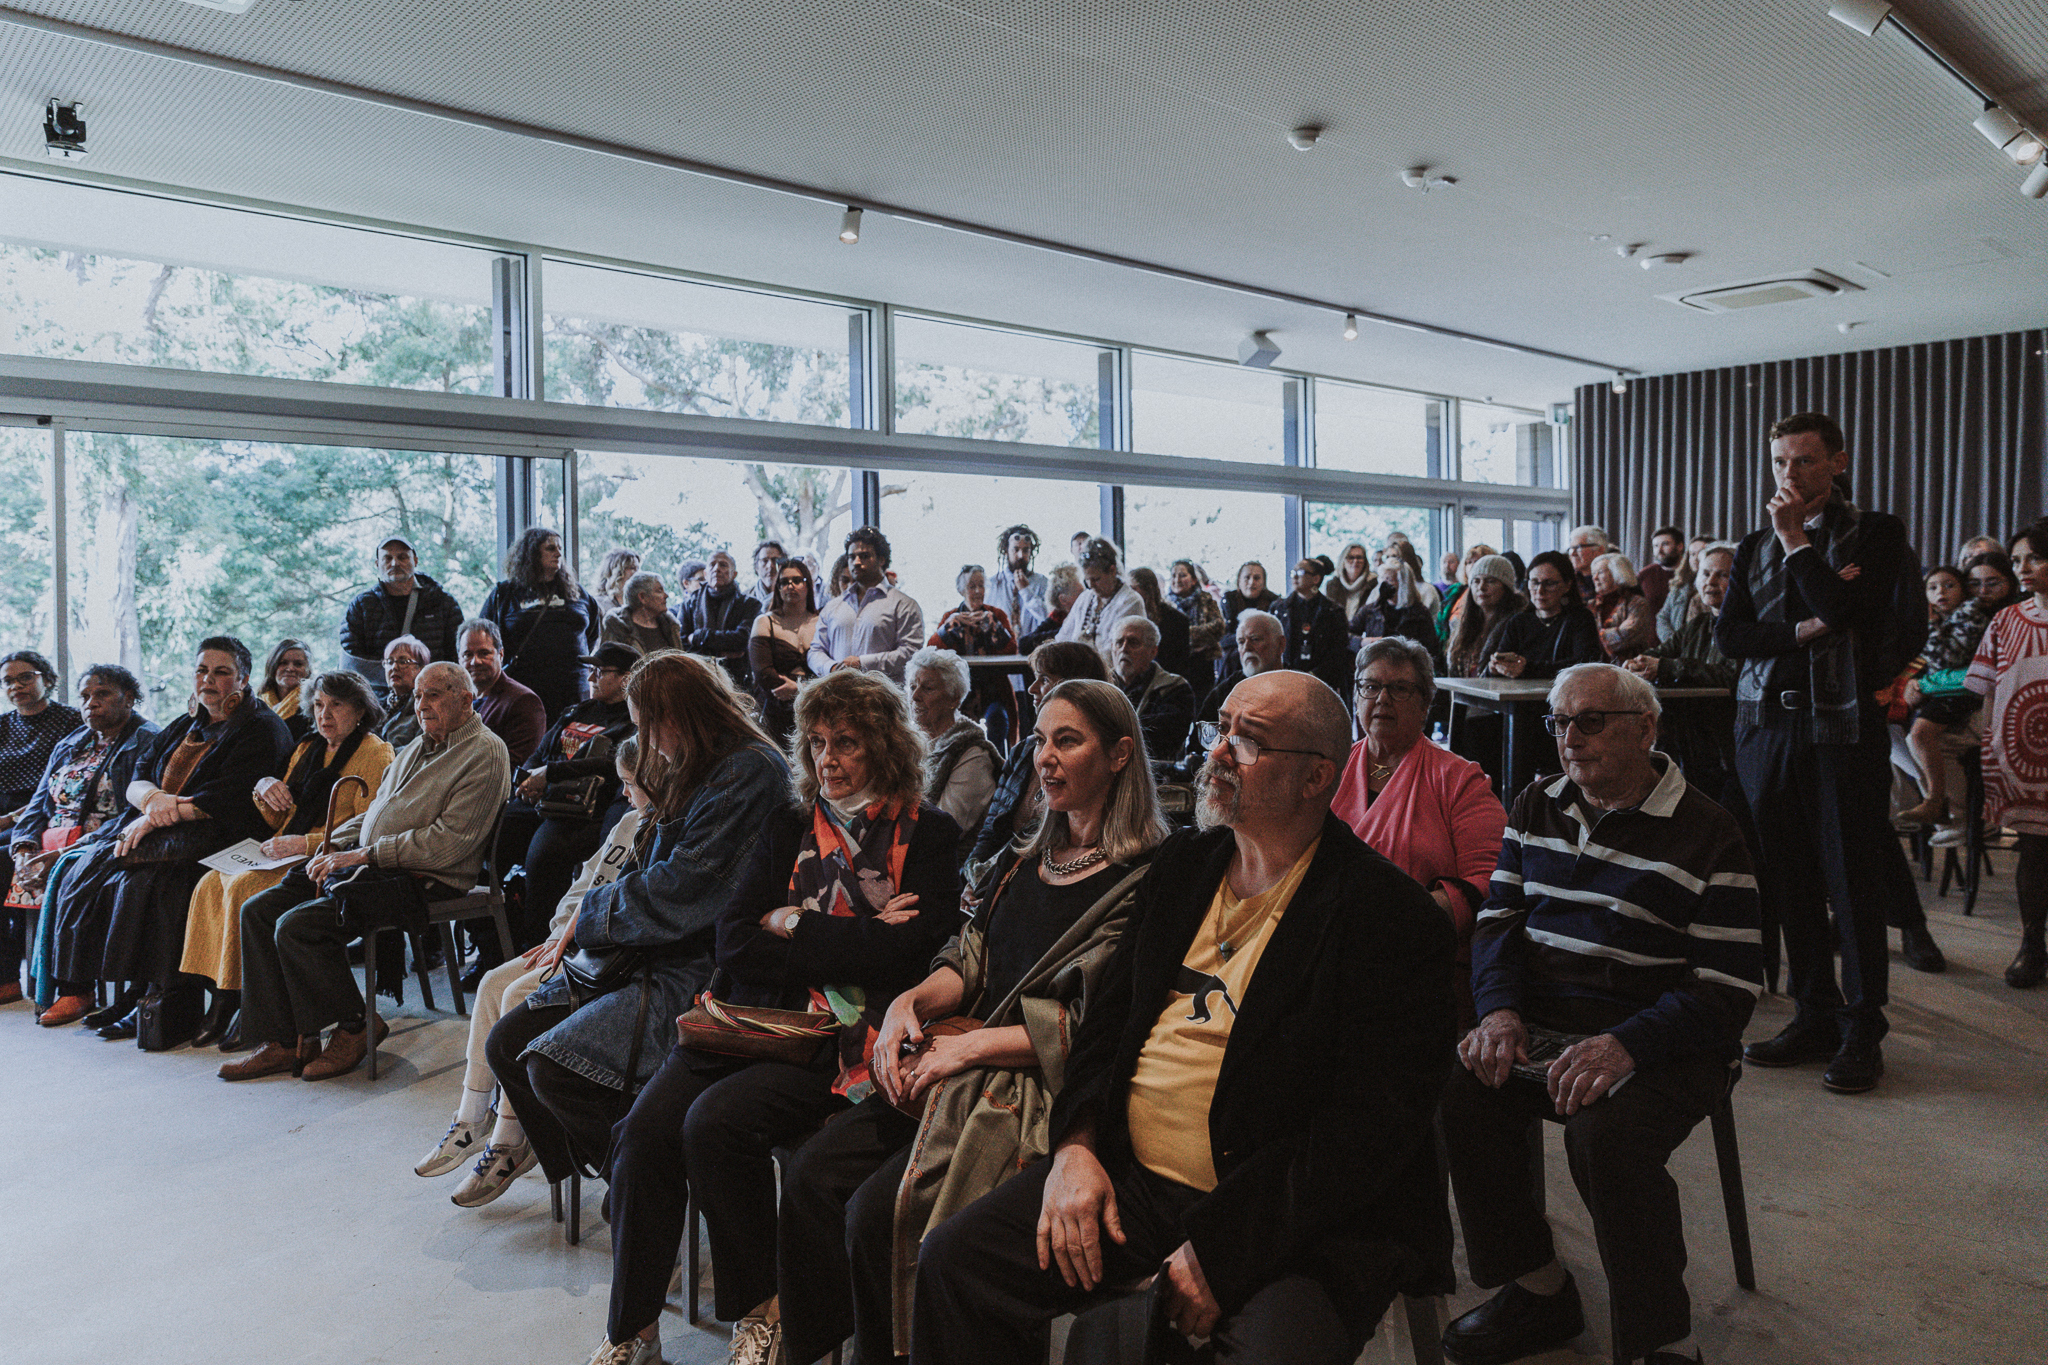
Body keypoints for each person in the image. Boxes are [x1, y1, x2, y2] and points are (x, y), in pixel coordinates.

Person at [911, 669, 1456, 1365]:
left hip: (1289, 1214)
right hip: (1132, 1182)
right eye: (1219, 727)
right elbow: (1104, 1027)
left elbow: (1364, 1133)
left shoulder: (1389, 916)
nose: (1219, 752)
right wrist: (1076, 1145)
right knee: (955, 1262)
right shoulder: (1185, 863)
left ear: (1318, 777)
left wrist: (1225, 1248)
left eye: (1248, 741)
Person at [777, 679, 1169, 1365]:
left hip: (1037, 1087)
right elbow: (969, 954)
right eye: (1040, 739)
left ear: (1119, 755)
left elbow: (1096, 1021)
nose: (1045, 758)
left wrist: (969, 1048)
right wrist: (912, 1003)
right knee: (816, 1173)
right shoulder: (1027, 859)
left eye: (1067, 740)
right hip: (961, 1059)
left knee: (879, 1215)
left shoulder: (1146, 880)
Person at [589, 669, 962, 1365]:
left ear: (884, 746)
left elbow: (906, 954)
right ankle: (633, 1329)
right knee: (641, 1135)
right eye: (817, 741)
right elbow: (734, 938)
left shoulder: (929, 834)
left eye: (846, 742)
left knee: (714, 1125)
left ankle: (765, 1308)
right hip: (744, 1016)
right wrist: (843, 932)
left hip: (837, 1041)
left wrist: (790, 922)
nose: (827, 758)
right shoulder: (790, 821)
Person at [1440, 663, 1763, 1365]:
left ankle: (1660, 1339)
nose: (1569, 738)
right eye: (1559, 722)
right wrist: (1497, 1011)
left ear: (1645, 728)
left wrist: (1626, 1044)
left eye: (1590, 720)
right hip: (1549, 1021)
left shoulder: (1709, 830)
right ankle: (1540, 1290)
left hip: (1667, 1039)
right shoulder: (1538, 803)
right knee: (1459, 1090)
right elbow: (1498, 918)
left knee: (1606, 1135)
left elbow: (1728, 987)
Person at [475, 653, 793, 1217]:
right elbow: (644, 865)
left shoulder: (749, 770)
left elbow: (688, 885)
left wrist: (591, 916)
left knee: (552, 1066)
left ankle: (645, 1192)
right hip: (646, 948)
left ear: (681, 714)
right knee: (506, 1043)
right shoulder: (698, 760)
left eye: (647, 721)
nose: (643, 736)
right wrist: (587, 919)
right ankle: (630, 1179)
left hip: (701, 965)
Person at [1717, 411, 1930, 1094]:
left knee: (1851, 876)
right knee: (1790, 876)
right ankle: (1815, 1012)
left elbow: (1848, 611)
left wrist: (1796, 544)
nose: (1790, 475)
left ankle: (1863, 1023)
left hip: (1840, 729)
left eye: (1804, 461)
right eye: (1780, 461)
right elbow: (1733, 637)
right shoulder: (1753, 545)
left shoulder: (1877, 531)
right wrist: (1803, 627)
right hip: (1765, 729)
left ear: (1837, 461)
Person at [222, 661, 510, 1081]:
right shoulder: (418, 745)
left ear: (465, 699)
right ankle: (285, 1041)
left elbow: (450, 843)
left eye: (434, 695)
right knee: (259, 910)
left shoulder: (484, 751)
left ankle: (356, 1024)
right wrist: (329, 846)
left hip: (427, 877)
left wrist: (364, 856)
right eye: (417, 696)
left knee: (297, 926)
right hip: (379, 864)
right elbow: (375, 815)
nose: (422, 705)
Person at [415, 739, 649, 1205]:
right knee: (490, 983)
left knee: (515, 996)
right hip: (570, 940)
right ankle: (470, 1116)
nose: (624, 794)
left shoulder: (663, 830)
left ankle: (510, 1140)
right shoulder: (627, 822)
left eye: (630, 784)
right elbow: (584, 882)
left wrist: (577, 938)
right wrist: (561, 930)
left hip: (602, 958)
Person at [47, 636, 292, 1046]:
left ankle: (165, 995)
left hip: (225, 835)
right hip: (169, 828)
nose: (208, 680)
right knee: (88, 869)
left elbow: (231, 796)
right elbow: (141, 773)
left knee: (156, 885)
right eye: (201, 671)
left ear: (244, 679)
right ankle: (133, 991)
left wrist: (159, 816)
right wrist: (151, 801)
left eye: (221, 672)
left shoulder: (262, 727)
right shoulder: (187, 722)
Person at [180, 671, 392, 1050]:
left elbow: (369, 827)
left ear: (360, 709)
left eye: (337, 705)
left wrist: (305, 843)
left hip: (327, 857)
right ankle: (225, 996)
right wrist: (264, 788)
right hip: (286, 847)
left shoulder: (375, 752)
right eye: (318, 705)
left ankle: (249, 1002)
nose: (325, 714)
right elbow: (279, 817)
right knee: (211, 882)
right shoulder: (308, 746)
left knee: (244, 889)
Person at [1331, 639, 1507, 1029]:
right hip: (1330, 954)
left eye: (1399, 689)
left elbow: (1493, 881)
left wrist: (1398, 922)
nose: (1382, 699)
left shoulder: (1461, 780)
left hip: (1421, 965)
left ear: (1426, 704)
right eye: (1370, 686)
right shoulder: (1328, 769)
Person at [18, 666, 155, 1023]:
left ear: (130, 698)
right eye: (84, 697)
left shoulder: (146, 740)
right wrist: (24, 848)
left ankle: (75, 988)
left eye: (102, 694)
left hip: (105, 837)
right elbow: (38, 803)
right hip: (56, 832)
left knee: (70, 870)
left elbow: (131, 811)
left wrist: (62, 852)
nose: (91, 704)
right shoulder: (71, 742)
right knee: (4, 859)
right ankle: (5, 977)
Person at [495, 641, 638, 951]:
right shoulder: (576, 711)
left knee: (543, 855)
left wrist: (550, 774)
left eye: (601, 671)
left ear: (627, 678)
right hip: (542, 797)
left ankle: (538, 947)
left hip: (584, 809)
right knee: (491, 840)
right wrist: (529, 779)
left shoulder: (631, 721)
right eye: (591, 670)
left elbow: (612, 763)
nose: (591, 677)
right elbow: (541, 753)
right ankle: (492, 942)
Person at [1965, 517, 2048, 988]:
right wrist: (1991, 747)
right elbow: (1991, 692)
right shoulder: (2007, 620)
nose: (2023, 568)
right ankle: (2032, 943)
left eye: (2034, 557)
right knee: (2034, 852)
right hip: (2027, 757)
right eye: (2017, 560)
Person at [968, 640, 1112, 872]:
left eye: (1044, 679)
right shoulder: (1024, 751)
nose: (1032, 688)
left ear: (1074, 686)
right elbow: (992, 829)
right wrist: (972, 873)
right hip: (1000, 875)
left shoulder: (1097, 752)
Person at [0, 650, 83, 1003]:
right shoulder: (2, 725)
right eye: (8, 681)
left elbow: (64, 788)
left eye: (25, 677)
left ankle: (6, 976)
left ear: (47, 679)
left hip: (43, 814)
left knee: (3, 855)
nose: (16, 686)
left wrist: (10, 819)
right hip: (4, 811)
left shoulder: (70, 721)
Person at [1626, 542, 1739, 793]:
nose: (1711, 581)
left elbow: (1729, 674)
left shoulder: (1745, 625)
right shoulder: (1699, 622)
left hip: (1726, 737)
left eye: (1723, 574)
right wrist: (1638, 662)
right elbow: (1662, 653)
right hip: (1690, 732)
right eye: (1706, 573)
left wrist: (1666, 667)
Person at [1894, 564, 1987, 827]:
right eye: (1932, 587)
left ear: (1963, 591)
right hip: (1939, 691)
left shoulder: (1972, 615)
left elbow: (1947, 658)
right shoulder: (1940, 619)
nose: (1940, 592)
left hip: (1961, 693)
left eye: (1949, 585)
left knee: (1920, 735)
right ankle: (1929, 804)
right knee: (1894, 731)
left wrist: (1930, 624)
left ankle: (1941, 805)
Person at [480, 526, 604, 720]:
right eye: (550, 548)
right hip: (525, 689)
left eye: (560, 548)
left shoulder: (578, 593)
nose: (558, 553)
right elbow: (486, 637)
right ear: (531, 553)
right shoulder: (504, 594)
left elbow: (592, 634)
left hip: (571, 689)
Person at [909, 646, 1001, 860]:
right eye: (912, 685)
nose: (914, 696)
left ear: (954, 699)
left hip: (951, 870)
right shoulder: (906, 744)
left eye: (928, 688)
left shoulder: (973, 754)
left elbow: (943, 832)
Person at [338, 535, 467, 686]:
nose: (395, 563)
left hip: (432, 693)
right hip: (378, 698)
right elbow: (354, 661)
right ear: (377, 564)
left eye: (402, 557)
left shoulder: (442, 602)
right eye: (387, 558)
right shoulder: (361, 605)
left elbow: (457, 653)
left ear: (416, 561)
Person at [810, 526, 925, 684]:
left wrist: (863, 664)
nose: (856, 563)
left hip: (882, 700)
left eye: (864, 556)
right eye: (852, 557)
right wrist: (832, 668)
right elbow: (815, 650)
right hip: (837, 697)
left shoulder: (903, 604)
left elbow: (911, 653)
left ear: (882, 559)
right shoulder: (833, 607)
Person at [1488, 551, 1602, 680]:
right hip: (1519, 697)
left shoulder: (1580, 619)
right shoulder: (1518, 621)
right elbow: (1501, 661)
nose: (1540, 591)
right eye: (1535, 582)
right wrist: (1496, 668)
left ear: (1567, 585)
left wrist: (1527, 669)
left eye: (1549, 583)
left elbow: (1584, 665)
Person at [462, 618, 548, 778]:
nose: (475, 661)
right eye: (467, 654)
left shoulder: (524, 701)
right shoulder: (457, 700)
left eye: (484, 653)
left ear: (500, 654)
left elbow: (514, 768)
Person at [749, 557, 822, 743]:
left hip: (818, 708)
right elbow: (763, 673)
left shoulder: (823, 620)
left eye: (797, 580)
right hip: (775, 711)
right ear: (777, 588)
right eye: (783, 582)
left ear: (808, 584)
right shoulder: (764, 622)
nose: (790, 586)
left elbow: (832, 667)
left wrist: (800, 690)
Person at [1108, 615, 1195, 764]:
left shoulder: (1174, 687)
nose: (1124, 649)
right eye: (1119, 642)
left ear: (1153, 651)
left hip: (1153, 771)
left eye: (1133, 643)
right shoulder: (1101, 685)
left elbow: (1161, 737)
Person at [678, 549, 762, 689]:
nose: (717, 569)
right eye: (712, 565)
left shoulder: (750, 605)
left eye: (723, 565)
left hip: (737, 681)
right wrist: (720, 654)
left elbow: (741, 640)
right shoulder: (690, 603)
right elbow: (681, 643)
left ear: (734, 574)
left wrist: (699, 636)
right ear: (705, 573)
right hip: (697, 680)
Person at [1274, 554, 1354, 696]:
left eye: (1300, 572)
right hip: (1285, 680)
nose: (1294, 577)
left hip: (1322, 683)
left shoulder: (1333, 611)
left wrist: (1313, 675)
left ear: (1316, 579)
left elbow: (1338, 653)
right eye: (1293, 572)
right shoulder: (1279, 608)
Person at [1056, 537, 1146, 663]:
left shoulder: (1130, 602)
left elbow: (1117, 652)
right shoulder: (1085, 598)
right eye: (1087, 580)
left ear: (1112, 571)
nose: (1091, 585)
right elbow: (1063, 638)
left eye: (1096, 579)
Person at [1444, 555, 1526, 678]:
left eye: (1490, 581)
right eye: (1476, 581)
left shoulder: (1516, 625)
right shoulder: (1467, 623)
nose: (1481, 587)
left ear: (1506, 587)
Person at [1199, 608, 1285, 725]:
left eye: (1255, 639)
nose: (1246, 647)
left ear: (1281, 644)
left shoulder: (1299, 687)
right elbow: (1201, 736)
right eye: (1241, 642)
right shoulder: (1226, 691)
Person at [1352, 555, 1441, 655]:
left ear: (1403, 584)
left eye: (1389, 579)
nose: (1383, 584)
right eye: (1382, 578)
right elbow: (1347, 635)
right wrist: (1361, 642)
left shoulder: (1420, 613)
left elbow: (1431, 648)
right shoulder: (1371, 610)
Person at [1166, 559, 1227, 692]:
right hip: (1174, 663)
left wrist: (1185, 634)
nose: (1177, 580)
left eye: (1182, 575)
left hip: (1202, 662)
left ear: (1193, 580)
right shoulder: (1166, 604)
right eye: (1173, 576)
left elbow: (1218, 626)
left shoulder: (1206, 599)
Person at [1125, 566, 1191, 680]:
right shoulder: (1126, 616)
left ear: (1147, 589)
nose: (1128, 594)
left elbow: (1179, 662)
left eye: (1133, 589)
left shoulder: (1176, 620)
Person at [1589, 552, 1656, 662]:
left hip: (1629, 669)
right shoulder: (1591, 605)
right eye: (1593, 573)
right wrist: (1612, 632)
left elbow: (1626, 636)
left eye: (1600, 572)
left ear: (1618, 573)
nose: (1595, 578)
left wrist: (1597, 636)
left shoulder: (1637, 603)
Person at [600, 572, 683, 657]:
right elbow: (608, 664)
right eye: (659, 591)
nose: (666, 595)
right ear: (642, 597)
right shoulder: (617, 627)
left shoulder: (670, 626)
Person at [1219, 559, 1279, 679]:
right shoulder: (1229, 601)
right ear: (1239, 581)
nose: (1251, 583)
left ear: (1263, 582)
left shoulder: (1275, 602)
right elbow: (1223, 638)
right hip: (1234, 653)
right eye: (1247, 577)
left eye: (1257, 578)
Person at [989, 524, 1050, 638]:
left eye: (1026, 550)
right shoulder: (992, 585)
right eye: (1016, 550)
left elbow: (1049, 619)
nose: (1021, 555)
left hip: (1033, 648)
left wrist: (1026, 591)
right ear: (1006, 551)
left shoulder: (1042, 583)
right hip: (1000, 651)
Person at [1656, 536, 1714, 644]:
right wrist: (1673, 642)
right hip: (1675, 648)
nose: (1695, 558)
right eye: (1692, 554)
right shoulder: (1680, 586)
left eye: (1701, 553)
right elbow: (1662, 617)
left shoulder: (1716, 588)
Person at [257, 638, 316, 743]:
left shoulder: (314, 707)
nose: (290, 668)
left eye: (298, 664)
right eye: (283, 663)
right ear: (272, 666)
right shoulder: (256, 705)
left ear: (308, 670)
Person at [1018, 564, 1082, 656]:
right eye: (1080, 593)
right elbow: (1024, 645)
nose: (1085, 596)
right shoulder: (1056, 618)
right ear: (1063, 599)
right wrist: (1065, 632)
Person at [379, 635, 431, 749]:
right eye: (389, 661)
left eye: (403, 661)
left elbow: (421, 749)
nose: (394, 667)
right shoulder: (376, 706)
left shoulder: (426, 707)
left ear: (421, 669)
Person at [1324, 542, 1375, 631]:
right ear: (1343, 561)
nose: (1355, 561)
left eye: (1359, 557)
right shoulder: (1331, 586)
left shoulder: (1374, 584)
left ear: (1365, 562)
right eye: (1351, 557)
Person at [1637, 526, 1684, 614]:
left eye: (1665, 544)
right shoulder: (1645, 574)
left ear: (1680, 546)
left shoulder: (1691, 573)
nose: (1659, 550)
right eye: (1656, 546)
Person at [1565, 525, 1610, 600]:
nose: (1573, 553)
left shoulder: (1613, 581)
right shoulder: (1567, 581)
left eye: (1578, 548)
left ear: (1599, 550)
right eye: (1571, 549)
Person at [596, 549, 643, 614]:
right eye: (632, 568)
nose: (638, 573)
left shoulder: (640, 604)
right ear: (617, 572)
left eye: (638, 569)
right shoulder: (599, 605)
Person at [747, 540, 787, 611]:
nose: (770, 566)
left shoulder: (791, 595)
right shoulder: (746, 599)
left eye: (775, 560)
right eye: (765, 561)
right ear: (756, 567)